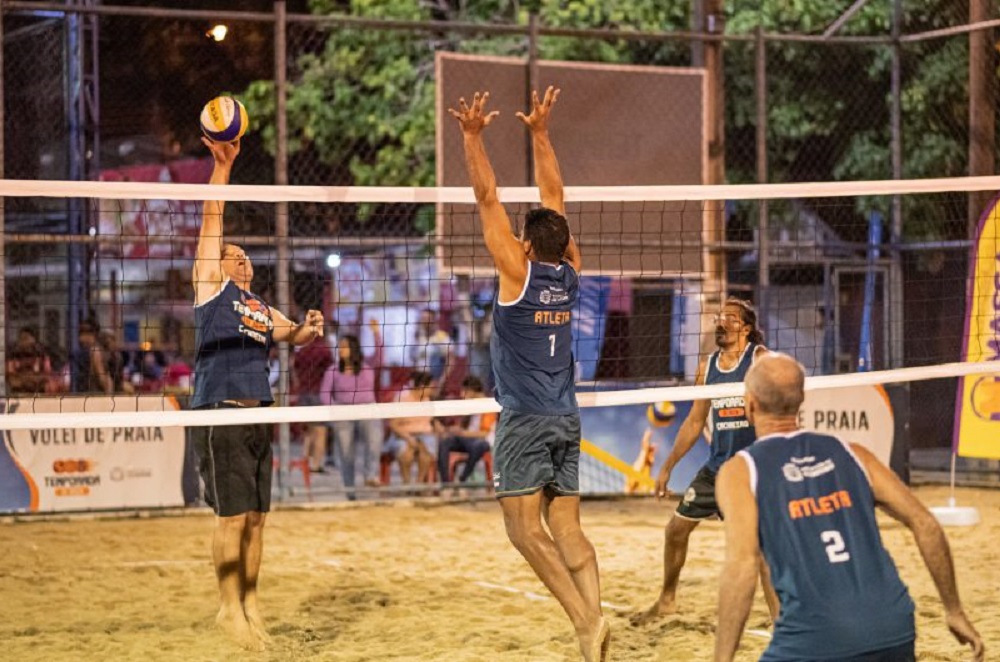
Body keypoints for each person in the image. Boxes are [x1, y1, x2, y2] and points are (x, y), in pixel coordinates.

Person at [450, 86, 609, 662]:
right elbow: (554, 195)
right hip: (566, 417)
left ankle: (587, 623)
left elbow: (486, 195)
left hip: (526, 419)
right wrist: (540, 132)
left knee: (522, 531)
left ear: (524, 244)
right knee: (567, 529)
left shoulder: (515, 272)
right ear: (563, 245)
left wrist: (472, 136)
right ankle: (594, 633)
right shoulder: (571, 272)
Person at [714, 353, 984, 662]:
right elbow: (926, 524)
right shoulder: (853, 453)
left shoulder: (740, 471)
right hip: (893, 629)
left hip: (816, 639)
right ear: (801, 400)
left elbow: (742, 567)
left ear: (749, 404)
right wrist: (954, 610)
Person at [190, 137, 324, 651]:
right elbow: (212, 216)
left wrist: (310, 327)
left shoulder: (259, 307)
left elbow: (293, 334)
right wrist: (222, 166)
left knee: (257, 519)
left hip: (257, 415)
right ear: (218, 263)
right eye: (234, 254)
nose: (242, 258)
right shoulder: (211, 288)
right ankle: (228, 610)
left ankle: (249, 604)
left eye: (246, 256)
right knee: (231, 517)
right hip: (220, 412)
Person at [634, 298, 776, 625]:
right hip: (717, 470)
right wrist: (667, 467)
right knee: (676, 530)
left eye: (731, 318)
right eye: (719, 317)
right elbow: (695, 421)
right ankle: (666, 602)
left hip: (752, 471)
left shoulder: (760, 359)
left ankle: (780, 620)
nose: (721, 322)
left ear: (746, 328)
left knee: (762, 549)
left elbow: (780, 406)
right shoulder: (707, 367)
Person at [320, 319, 386, 494]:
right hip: (343, 410)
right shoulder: (333, 370)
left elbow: (380, 356)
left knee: (374, 440)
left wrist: (376, 333)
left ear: (353, 349)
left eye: (344, 346)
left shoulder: (367, 366)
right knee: (346, 452)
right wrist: (335, 409)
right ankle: (349, 487)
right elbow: (325, 393)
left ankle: (371, 475)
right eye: (339, 346)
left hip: (367, 408)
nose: (340, 349)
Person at [436, 375, 496, 484]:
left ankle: (462, 479)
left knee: (479, 445)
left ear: (471, 390)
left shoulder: (488, 405)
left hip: (481, 441)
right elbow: (464, 428)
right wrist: (452, 430)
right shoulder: (470, 404)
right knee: (445, 442)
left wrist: (463, 433)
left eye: (464, 391)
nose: (461, 394)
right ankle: (446, 483)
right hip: (466, 440)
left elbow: (484, 434)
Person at [292, 328, 334, 472]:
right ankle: (316, 464)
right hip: (319, 393)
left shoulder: (302, 350)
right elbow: (331, 372)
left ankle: (305, 460)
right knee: (320, 431)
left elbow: (294, 368)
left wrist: (300, 384)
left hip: (304, 393)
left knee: (308, 431)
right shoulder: (324, 350)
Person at [384, 371, 437, 485]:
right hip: (402, 433)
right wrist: (408, 438)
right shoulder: (402, 398)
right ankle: (407, 483)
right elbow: (393, 424)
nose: (432, 390)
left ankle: (419, 483)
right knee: (406, 454)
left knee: (426, 451)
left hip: (424, 434)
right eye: (431, 387)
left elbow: (430, 421)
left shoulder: (427, 399)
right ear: (422, 387)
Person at [70, 319, 113, 394]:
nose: (80, 339)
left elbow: (102, 377)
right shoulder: (89, 351)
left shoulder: (95, 351)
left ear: (91, 335)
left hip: (95, 395)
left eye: (82, 335)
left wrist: (108, 393)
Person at [7, 326, 53, 394]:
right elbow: (12, 380)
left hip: (39, 393)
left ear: (34, 339)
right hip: (18, 393)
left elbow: (47, 376)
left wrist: (33, 381)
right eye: (20, 339)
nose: (23, 342)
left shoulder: (43, 356)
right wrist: (27, 381)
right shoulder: (13, 356)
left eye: (26, 338)